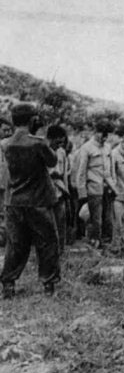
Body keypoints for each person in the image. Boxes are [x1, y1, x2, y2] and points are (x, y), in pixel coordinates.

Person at [0, 103, 60, 297]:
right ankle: (48, 285)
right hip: (38, 201)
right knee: (47, 243)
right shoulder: (38, 143)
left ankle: (8, 284)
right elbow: (52, 161)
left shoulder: (5, 143)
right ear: (33, 120)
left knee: (15, 244)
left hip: (14, 201)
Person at [76, 120, 116, 248]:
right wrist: (82, 194)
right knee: (95, 220)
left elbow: (110, 170)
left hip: (107, 189)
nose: (105, 137)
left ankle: (106, 244)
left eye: (106, 134)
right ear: (96, 132)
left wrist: (113, 186)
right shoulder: (86, 148)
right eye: (102, 133)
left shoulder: (108, 147)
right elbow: (81, 171)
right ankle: (94, 244)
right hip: (93, 189)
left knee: (108, 219)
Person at [47, 125, 69, 254]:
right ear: (50, 138)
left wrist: (66, 191)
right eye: (58, 142)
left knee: (61, 222)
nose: (59, 145)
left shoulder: (62, 152)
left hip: (60, 192)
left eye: (62, 142)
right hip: (46, 194)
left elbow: (64, 173)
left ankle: (61, 250)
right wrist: (51, 174)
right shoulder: (42, 150)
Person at [0, 117, 13, 245]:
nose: (8, 133)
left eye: (10, 130)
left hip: (6, 185)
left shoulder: (8, 146)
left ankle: (3, 237)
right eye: (5, 130)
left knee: (5, 211)